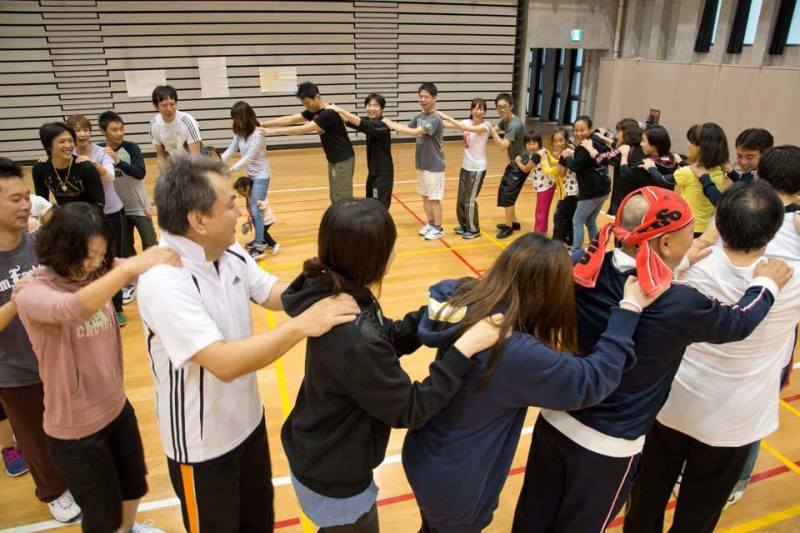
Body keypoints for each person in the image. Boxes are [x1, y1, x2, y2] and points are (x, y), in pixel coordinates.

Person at [511, 187, 791, 532]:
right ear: (665, 244)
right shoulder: (680, 304)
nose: (698, 238)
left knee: (531, 518)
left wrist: (681, 263)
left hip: (555, 419)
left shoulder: (586, 267)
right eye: (691, 232)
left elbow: (640, 273)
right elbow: (738, 321)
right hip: (607, 445)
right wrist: (766, 284)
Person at [135, 155, 359, 533]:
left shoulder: (227, 250)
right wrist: (303, 326)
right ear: (199, 219)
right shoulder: (162, 281)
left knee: (258, 524)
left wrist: (322, 289)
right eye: (231, 205)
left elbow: (271, 292)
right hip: (201, 448)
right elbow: (222, 362)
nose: (242, 211)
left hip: (249, 424)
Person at [403, 232, 661, 533]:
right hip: (458, 481)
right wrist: (628, 311)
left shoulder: (464, 295)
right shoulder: (514, 353)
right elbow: (592, 381)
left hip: (425, 453)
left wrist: (583, 258)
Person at [280, 198, 498, 532]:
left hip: (319, 449)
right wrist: (463, 351)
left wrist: (429, 317)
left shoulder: (337, 292)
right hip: (334, 479)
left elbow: (383, 338)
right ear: (375, 258)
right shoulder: (354, 337)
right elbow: (409, 409)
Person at [625, 182, 798, 533]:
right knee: (700, 512)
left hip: (671, 404)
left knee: (646, 498)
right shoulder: (789, 279)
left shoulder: (685, 269)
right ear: (776, 228)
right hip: (734, 420)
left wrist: (686, 257)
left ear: (719, 219)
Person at [14, 202, 179, 533]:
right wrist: (123, 270)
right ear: (62, 248)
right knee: (101, 515)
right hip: (76, 431)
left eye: (100, 255)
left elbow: (130, 266)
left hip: (117, 408)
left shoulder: (97, 270)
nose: (93, 264)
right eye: (88, 255)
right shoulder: (32, 292)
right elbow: (72, 308)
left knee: (134, 485)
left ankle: (128, 529)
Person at [0, 157, 81, 522]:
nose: (25, 205)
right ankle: (53, 491)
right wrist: (18, 300)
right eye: (15, 199)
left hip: (56, 357)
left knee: (70, 426)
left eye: (26, 197)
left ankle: (77, 479)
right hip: (14, 370)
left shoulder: (38, 243)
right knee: (34, 436)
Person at [68, 114, 129, 325]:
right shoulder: (67, 153)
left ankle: (117, 307)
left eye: (86, 129)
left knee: (112, 260)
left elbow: (110, 176)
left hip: (112, 212)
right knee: (87, 262)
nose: (82, 134)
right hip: (86, 217)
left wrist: (91, 163)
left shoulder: (101, 152)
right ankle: (94, 305)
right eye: (77, 130)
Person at [261, 82, 355, 203]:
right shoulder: (314, 111)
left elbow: (303, 129)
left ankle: (346, 220)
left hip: (343, 159)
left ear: (317, 96)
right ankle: (338, 220)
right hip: (333, 158)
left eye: (307, 102)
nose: (306, 106)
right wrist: (264, 124)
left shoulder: (328, 113)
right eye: (303, 103)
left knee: (342, 197)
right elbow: (291, 119)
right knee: (335, 195)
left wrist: (269, 131)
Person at [383, 83, 446, 240]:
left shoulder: (435, 119)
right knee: (425, 196)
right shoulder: (420, 116)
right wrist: (388, 124)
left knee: (434, 198)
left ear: (434, 98)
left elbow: (415, 132)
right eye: (421, 97)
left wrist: (390, 123)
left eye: (426, 97)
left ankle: (438, 228)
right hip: (422, 163)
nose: (423, 100)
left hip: (434, 165)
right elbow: (405, 127)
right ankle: (431, 224)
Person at [218, 101, 273, 260]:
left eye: (239, 118)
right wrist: (216, 163)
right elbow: (230, 149)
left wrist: (230, 170)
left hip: (261, 175)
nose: (237, 121)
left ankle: (259, 246)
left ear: (247, 116)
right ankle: (260, 240)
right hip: (251, 176)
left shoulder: (258, 134)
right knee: (253, 209)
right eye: (235, 118)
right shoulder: (239, 132)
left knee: (256, 210)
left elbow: (249, 157)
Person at [99, 111, 157, 256]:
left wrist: (118, 162)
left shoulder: (131, 148)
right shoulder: (99, 150)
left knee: (151, 245)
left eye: (121, 129)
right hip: (118, 209)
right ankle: (133, 277)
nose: (119, 133)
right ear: (103, 131)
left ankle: (152, 276)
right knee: (124, 249)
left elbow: (140, 173)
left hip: (139, 206)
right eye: (114, 130)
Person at [436, 99, 493, 239]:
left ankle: (474, 229)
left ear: (485, 112)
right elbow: (447, 125)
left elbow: (467, 128)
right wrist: (431, 115)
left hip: (478, 168)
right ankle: (464, 225)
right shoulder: (466, 123)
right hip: (465, 166)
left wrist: (448, 116)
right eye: (476, 108)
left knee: (470, 200)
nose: (479, 111)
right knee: (461, 198)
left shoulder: (486, 126)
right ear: (471, 110)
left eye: (482, 109)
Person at [326, 94, 394, 208]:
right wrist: (334, 112)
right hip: (373, 172)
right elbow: (351, 121)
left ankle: (382, 225)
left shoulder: (382, 125)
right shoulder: (370, 121)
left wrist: (339, 109)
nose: (371, 108)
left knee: (380, 205)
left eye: (375, 106)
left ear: (382, 109)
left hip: (383, 174)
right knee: (370, 202)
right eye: (369, 105)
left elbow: (360, 123)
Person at [559, 115, 612, 251]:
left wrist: (567, 156)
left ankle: (576, 251)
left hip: (591, 191)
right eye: (576, 130)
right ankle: (597, 249)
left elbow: (576, 166)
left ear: (590, 129)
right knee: (590, 221)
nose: (578, 133)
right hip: (603, 189)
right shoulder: (596, 140)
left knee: (577, 221)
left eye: (582, 130)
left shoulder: (584, 146)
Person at [32, 122, 104, 208]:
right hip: (63, 218)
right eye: (62, 142)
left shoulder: (86, 167)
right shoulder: (40, 169)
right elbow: (42, 203)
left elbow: (99, 204)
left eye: (71, 141)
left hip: (88, 218)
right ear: (48, 146)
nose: (68, 145)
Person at [673, 123, 728, 236]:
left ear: (701, 148)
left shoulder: (687, 173)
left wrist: (651, 167)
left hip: (686, 226)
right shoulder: (720, 169)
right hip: (705, 227)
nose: (688, 145)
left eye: (691, 142)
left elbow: (664, 180)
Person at [700, 127, 774, 205]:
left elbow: (724, 205)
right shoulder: (753, 172)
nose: (743, 162)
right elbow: (744, 186)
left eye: (750, 157)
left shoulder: (766, 181)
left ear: (766, 154)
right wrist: (732, 173)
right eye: (739, 156)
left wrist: (704, 178)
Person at [490, 93, 526, 239]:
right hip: (514, 164)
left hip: (520, 164)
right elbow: (496, 128)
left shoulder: (514, 124)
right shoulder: (506, 120)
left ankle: (509, 227)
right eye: (499, 107)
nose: (502, 109)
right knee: (507, 192)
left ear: (511, 106)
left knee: (507, 195)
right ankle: (514, 222)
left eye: (504, 106)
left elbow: (503, 146)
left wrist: (492, 133)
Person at [149, 84, 202, 168]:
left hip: (192, 165)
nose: (169, 109)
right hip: (174, 164)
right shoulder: (154, 124)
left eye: (172, 104)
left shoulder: (188, 121)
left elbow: (196, 157)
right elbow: (161, 156)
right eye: (164, 105)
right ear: (156, 107)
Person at [234, 176, 280, 258]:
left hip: (266, 219)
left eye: (241, 192)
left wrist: (261, 203)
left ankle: (274, 244)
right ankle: (262, 242)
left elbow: (266, 202)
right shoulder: (248, 196)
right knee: (260, 232)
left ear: (247, 187)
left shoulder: (257, 193)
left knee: (263, 233)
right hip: (259, 219)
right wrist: (250, 220)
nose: (241, 194)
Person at [549, 129, 579, 245]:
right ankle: (570, 242)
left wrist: (559, 159)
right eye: (555, 141)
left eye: (561, 141)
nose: (558, 144)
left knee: (559, 217)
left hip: (570, 192)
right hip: (573, 191)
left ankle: (556, 243)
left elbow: (561, 173)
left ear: (566, 140)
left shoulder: (566, 153)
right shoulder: (571, 149)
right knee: (569, 218)